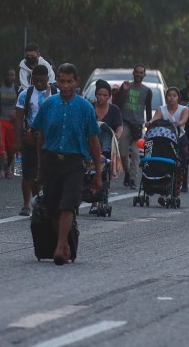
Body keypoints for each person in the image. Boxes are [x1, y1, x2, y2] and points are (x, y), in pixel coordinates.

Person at [30, 64, 100, 266]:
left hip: (74, 162)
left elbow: (93, 140)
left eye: (69, 81)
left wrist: (98, 173)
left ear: (77, 82)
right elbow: (40, 136)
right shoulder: (48, 105)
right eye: (61, 81)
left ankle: (60, 246)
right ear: (57, 82)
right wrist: (41, 167)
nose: (65, 85)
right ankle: (66, 244)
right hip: (51, 160)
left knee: (68, 203)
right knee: (52, 207)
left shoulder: (85, 108)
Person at [15, 65, 55, 216]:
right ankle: (26, 204)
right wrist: (18, 139)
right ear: (32, 80)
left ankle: (40, 199)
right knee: (28, 172)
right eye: (36, 81)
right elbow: (19, 118)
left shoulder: (55, 93)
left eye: (42, 81)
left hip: (50, 139)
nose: (39, 84)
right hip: (31, 138)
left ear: (47, 79)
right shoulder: (25, 94)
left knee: (44, 171)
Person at [117, 65, 152, 189]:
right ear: (133, 73)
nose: (138, 74)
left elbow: (148, 108)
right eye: (136, 72)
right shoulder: (126, 86)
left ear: (144, 75)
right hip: (125, 123)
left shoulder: (147, 91)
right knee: (123, 153)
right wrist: (123, 90)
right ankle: (127, 172)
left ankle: (132, 179)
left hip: (138, 125)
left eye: (141, 72)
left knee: (136, 153)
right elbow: (117, 103)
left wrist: (149, 122)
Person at [89, 80, 123, 213]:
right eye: (99, 95)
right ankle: (91, 198)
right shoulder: (89, 107)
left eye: (104, 95)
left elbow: (119, 126)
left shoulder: (114, 110)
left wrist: (117, 136)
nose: (101, 98)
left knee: (104, 170)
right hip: (90, 145)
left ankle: (101, 198)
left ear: (109, 96)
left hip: (107, 147)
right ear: (96, 95)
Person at [0, 69, 20, 179]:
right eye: (9, 75)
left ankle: (9, 168)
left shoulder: (16, 89)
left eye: (13, 75)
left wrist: (15, 111)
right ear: (5, 76)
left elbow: (20, 105)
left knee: (11, 147)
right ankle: (1, 170)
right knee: (1, 145)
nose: (11, 77)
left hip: (12, 122)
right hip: (1, 119)